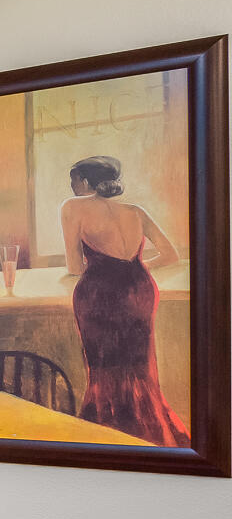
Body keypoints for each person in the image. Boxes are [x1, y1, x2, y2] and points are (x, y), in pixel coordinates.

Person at [58, 155, 187, 445]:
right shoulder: (135, 211)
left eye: (74, 180)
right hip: (140, 288)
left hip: (100, 293)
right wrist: (133, 268)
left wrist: (109, 270)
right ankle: (149, 431)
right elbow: (171, 255)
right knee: (139, 365)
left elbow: (75, 268)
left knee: (104, 366)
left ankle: (109, 431)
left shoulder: (71, 208)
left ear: (87, 182)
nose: (71, 186)